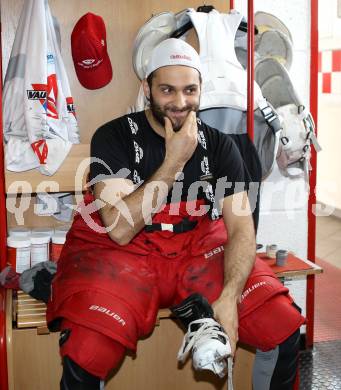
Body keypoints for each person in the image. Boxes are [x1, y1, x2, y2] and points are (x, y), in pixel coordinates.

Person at [47, 38, 304, 390]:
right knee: (87, 349)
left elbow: (242, 228)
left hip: (194, 248)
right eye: (167, 89)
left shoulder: (220, 144)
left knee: (284, 325)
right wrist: (175, 161)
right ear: (147, 89)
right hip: (125, 251)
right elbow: (120, 229)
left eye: (190, 90)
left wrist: (229, 298)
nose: (180, 102)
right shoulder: (114, 136)